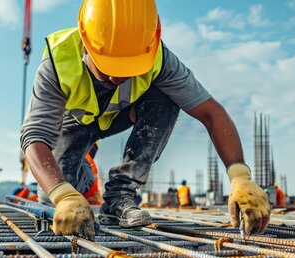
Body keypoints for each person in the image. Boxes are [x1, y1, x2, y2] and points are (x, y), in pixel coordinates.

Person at [20, 0, 270, 240]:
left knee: (167, 96)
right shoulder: (59, 59)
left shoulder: (159, 60)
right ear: (86, 43)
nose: (118, 78)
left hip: (119, 115)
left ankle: (120, 196)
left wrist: (239, 175)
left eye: (128, 68)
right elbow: (34, 137)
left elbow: (210, 112)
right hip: (72, 124)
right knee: (54, 200)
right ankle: (83, 168)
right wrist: (62, 195)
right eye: (108, 68)